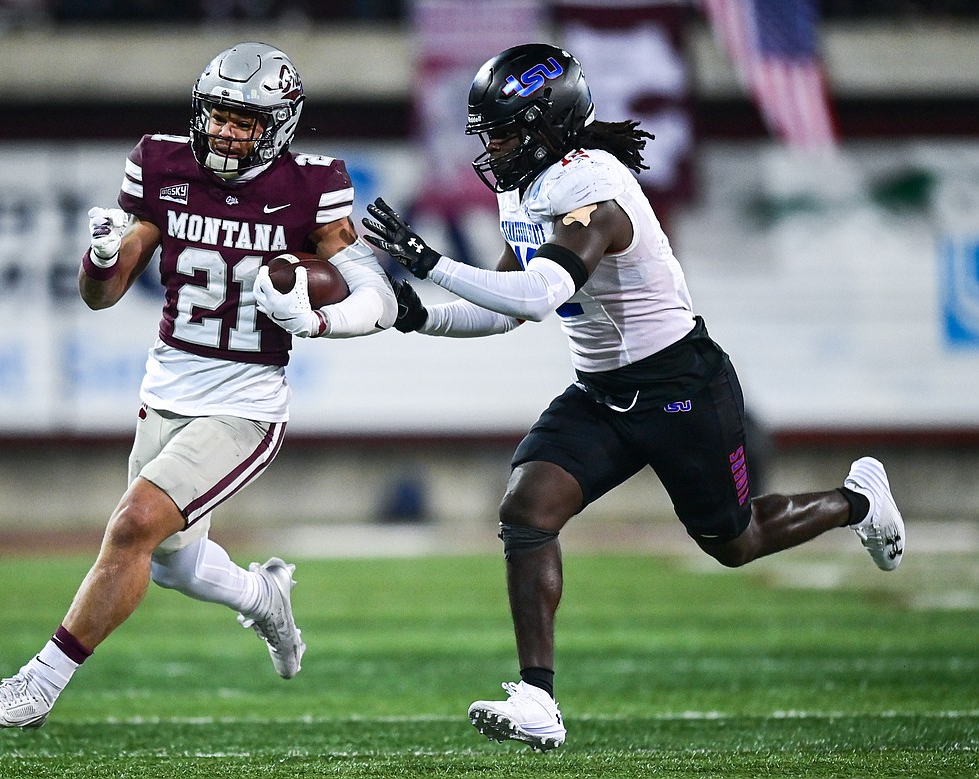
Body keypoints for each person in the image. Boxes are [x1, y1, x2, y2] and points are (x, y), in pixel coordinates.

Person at [363, 43, 904, 752]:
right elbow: (502, 308)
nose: (490, 145)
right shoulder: (523, 185)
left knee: (734, 542)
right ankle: (537, 697)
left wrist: (432, 262)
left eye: (501, 129)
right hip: (602, 389)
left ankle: (857, 500)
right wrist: (419, 312)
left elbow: (540, 295)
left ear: (547, 125)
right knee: (528, 506)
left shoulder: (593, 191)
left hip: (680, 383)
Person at [0, 41, 396, 729]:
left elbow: (379, 296)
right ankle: (263, 596)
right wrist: (100, 256)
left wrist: (319, 318)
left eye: (243, 119)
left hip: (245, 402)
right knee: (170, 562)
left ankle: (37, 685)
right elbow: (101, 295)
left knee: (133, 524)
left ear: (279, 124)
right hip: (166, 386)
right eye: (217, 114)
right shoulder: (162, 165)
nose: (224, 130)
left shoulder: (312, 187)